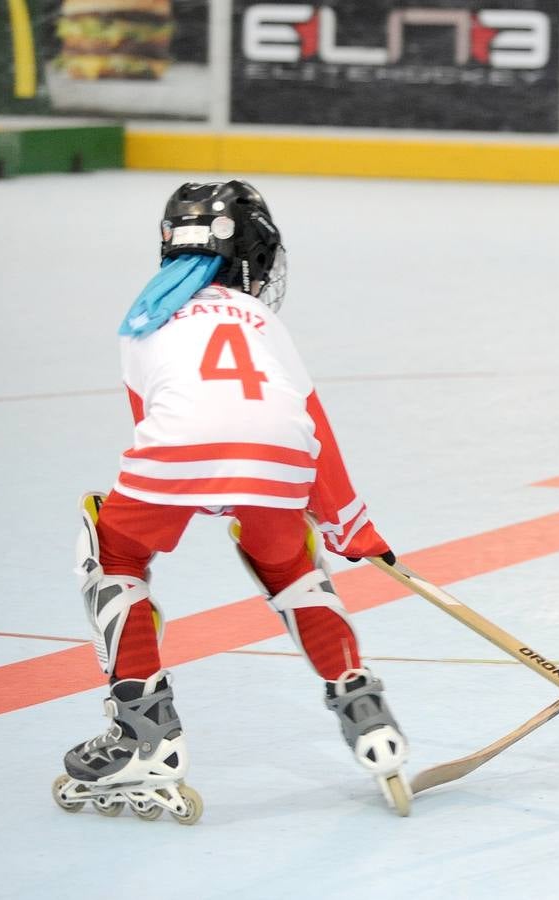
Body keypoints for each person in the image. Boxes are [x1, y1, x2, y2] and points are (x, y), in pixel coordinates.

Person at [52, 181, 410, 823]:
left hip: (178, 454)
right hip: (281, 457)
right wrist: (353, 528)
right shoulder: (266, 321)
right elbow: (313, 428)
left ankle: (143, 731)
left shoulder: (143, 319)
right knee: (290, 563)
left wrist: (203, 492)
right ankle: (360, 700)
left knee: (112, 551)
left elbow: (158, 429)